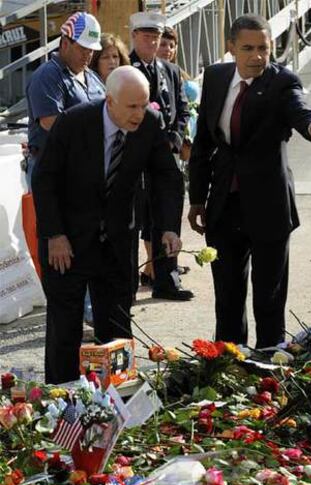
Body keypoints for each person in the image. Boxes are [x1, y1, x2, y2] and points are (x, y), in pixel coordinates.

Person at [32, 66, 184, 385]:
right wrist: (54, 235)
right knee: (65, 329)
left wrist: (169, 227)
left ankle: (118, 402)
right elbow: (44, 179)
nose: (139, 114)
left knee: (116, 329)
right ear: (109, 101)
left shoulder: (149, 124)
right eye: (131, 106)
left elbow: (167, 176)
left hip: (116, 241)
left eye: (144, 105)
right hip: (68, 241)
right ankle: (62, 399)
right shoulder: (74, 122)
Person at [188, 14, 311, 350]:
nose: (257, 57)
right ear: (231, 48)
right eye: (248, 48)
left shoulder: (282, 83)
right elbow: (203, 144)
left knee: (268, 297)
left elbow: (300, 111)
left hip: (268, 206)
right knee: (227, 297)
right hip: (224, 205)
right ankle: (230, 363)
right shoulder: (215, 77)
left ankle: (271, 362)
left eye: (263, 49)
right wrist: (197, 198)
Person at [129, 12, 193, 301]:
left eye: (156, 37)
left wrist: (177, 137)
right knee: (134, 221)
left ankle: (167, 278)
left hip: (166, 156)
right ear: (134, 38)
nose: (153, 42)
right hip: (136, 157)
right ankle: (129, 282)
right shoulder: (126, 69)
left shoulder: (168, 69)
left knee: (167, 218)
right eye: (146, 37)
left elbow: (182, 107)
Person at [26, 11, 105, 184]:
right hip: (54, 173)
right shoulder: (47, 76)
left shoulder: (92, 77)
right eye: (82, 48)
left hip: (83, 170)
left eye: (91, 50)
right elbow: (51, 123)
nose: (88, 54)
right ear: (64, 43)